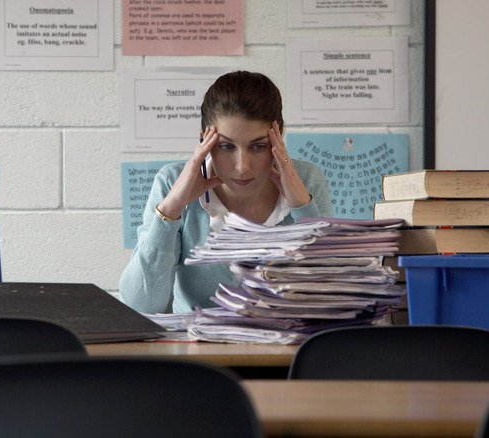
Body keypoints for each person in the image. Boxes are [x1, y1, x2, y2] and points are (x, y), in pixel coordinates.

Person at [119, 71, 332, 313]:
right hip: (197, 348)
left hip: (287, 348)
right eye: (226, 146)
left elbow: (331, 299)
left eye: (259, 146)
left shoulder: (307, 180)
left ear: (278, 137)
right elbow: (138, 306)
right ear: (204, 140)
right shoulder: (171, 181)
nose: (242, 167)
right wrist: (172, 209)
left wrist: (303, 209)